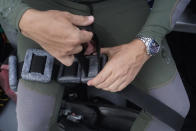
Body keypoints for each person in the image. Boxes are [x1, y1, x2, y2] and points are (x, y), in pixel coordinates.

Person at [0, 0, 191, 131]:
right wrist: (22, 17)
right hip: (45, 8)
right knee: (33, 124)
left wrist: (144, 45)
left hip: (121, 5)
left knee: (172, 111)